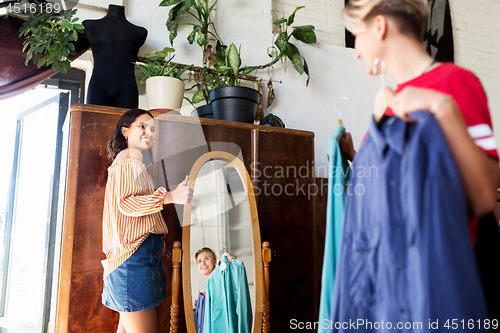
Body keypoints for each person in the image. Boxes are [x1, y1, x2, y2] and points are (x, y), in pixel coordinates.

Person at [340, 0, 499, 242]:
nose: (357, 51)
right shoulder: (391, 102)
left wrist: (442, 109)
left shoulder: (455, 83)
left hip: (439, 264)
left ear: (380, 26)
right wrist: (353, 154)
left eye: (357, 35)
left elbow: (486, 195)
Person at [101, 108, 194, 333]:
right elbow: (127, 203)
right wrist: (173, 196)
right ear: (125, 132)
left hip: (135, 259)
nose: (149, 132)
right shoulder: (130, 156)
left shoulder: (134, 161)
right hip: (132, 260)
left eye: (152, 128)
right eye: (142, 126)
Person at [83, 5, 147, 108]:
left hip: (126, 89)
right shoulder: (90, 26)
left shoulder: (140, 32)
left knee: (129, 123)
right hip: (99, 86)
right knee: (92, 123)